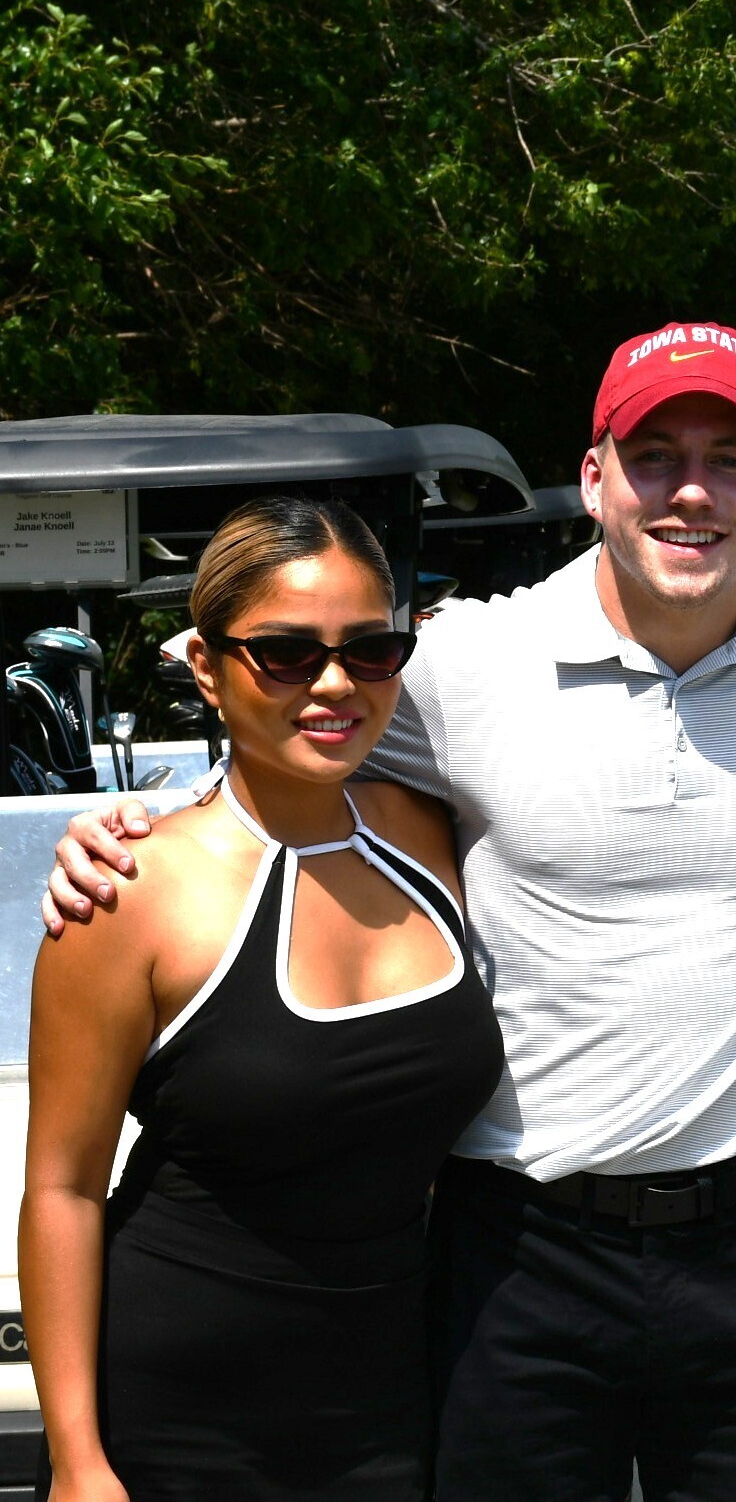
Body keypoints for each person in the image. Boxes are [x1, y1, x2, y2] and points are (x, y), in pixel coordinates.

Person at [47, 326, 736, 1500]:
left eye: (729, 459)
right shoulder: (463, 665)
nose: (690, 490)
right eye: (653, 456)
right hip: (519, 1258)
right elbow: (294, 733)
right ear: (593, 478)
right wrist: (139, 823)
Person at [21, 497, 506, 1500]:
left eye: (370, 650)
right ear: (206, 667)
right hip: (180, 1417)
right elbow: (62, 1189)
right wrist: (77, 1460)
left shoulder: (431, 831)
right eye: (285, 654)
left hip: (398, 1396)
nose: (334, 683)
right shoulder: (128, 894)